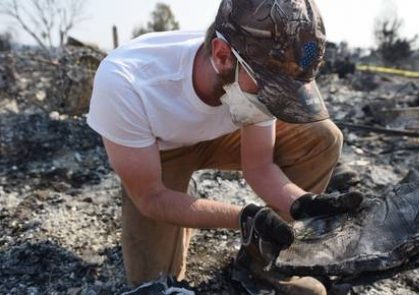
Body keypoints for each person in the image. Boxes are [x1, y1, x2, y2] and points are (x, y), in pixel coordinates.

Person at [87, 0, 362, 293]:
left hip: (222, 132)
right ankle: (182, 200)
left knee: (321, 136)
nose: (275, 100)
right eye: (270, 88)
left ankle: (262, 262)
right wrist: (245, 217)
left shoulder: (259, 70)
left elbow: (259, 167)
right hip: (160, 149)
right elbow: (151, 198)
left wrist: (301, 203)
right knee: (153, 282)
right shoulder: (126, 83)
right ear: (222, 55)